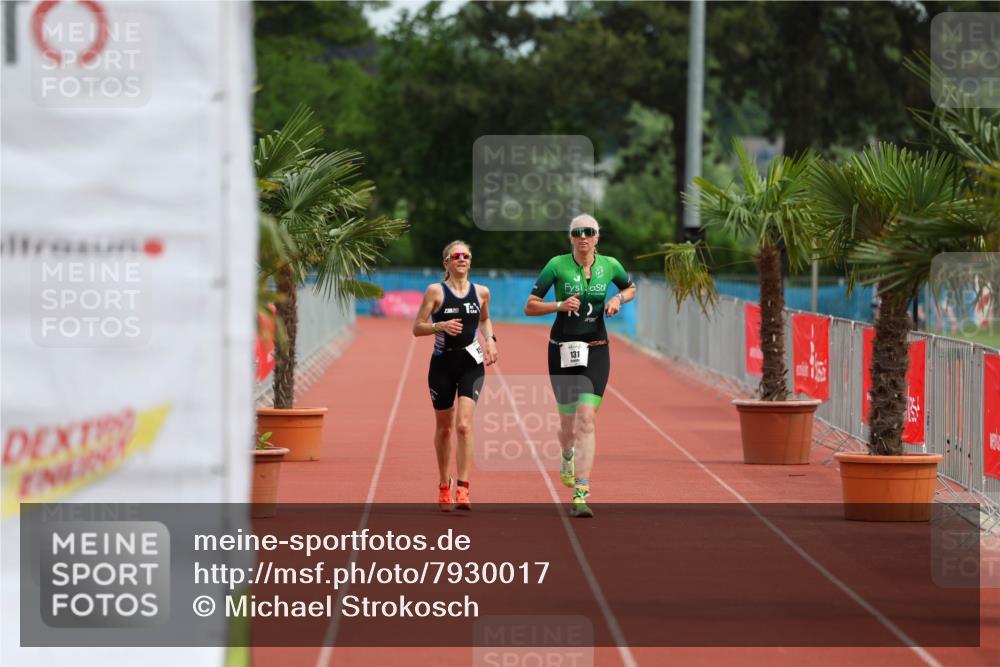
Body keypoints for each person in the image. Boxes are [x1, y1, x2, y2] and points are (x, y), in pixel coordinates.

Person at [523, 215, 636, 518]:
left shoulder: (610, 265)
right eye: (577, 233)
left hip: (596, 349)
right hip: (561, 350)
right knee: (568, 425)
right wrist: (558, 305)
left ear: (598, 237)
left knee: (586, 419)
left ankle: (581, 492)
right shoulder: (556, 265)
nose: (583, 237)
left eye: (589, 232)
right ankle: (566, 453)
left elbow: (631, 288)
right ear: (570, 237)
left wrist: (617, 300)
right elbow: (530, 305)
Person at [412, 240, 498, 511]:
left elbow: (484, 319)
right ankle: (443, 482)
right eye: (456, 256)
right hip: (442, 366)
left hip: (471, 363)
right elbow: (417, 327)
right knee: (445, 428)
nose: (462, 259)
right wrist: (440, 325)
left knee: (464, 425)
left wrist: (491, 340)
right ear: (446, 263)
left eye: (466, 256)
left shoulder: (482, 292)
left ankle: (463, 487)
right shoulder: (435, 292)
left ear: (470, 262)